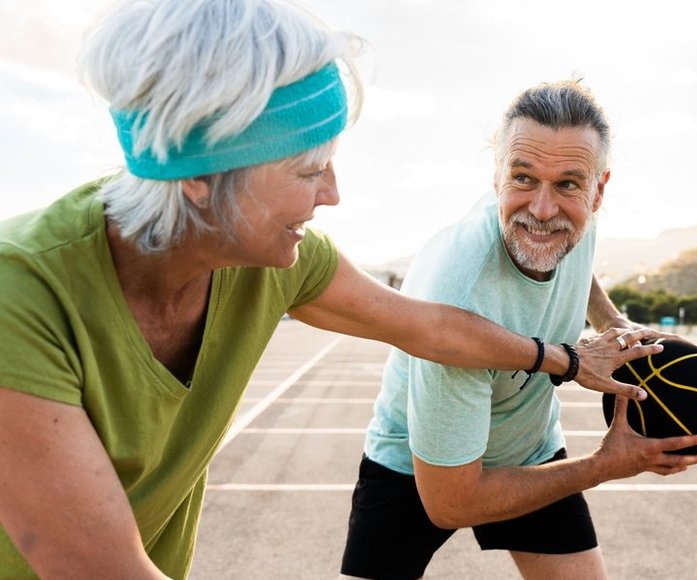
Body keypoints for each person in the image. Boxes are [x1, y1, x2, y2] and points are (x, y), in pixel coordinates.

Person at [0, 2, 662, 579]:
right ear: (201, 175)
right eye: (308, 169)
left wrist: (569, 360)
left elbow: (431, 328)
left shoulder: (276, 258)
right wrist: (601, 456)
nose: (334, 193)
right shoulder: (18, 297)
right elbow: (101, 571)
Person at [339, 81, 697, 580]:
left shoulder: (576, 218)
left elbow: (577, 248)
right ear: (496, 177)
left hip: (528, 447)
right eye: (523, 178)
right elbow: (451, 502)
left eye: (569, 185)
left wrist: (611, 321)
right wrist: (605, 463)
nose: (541, 209)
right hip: (417, 464)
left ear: (599, 190)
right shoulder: (458, 292)